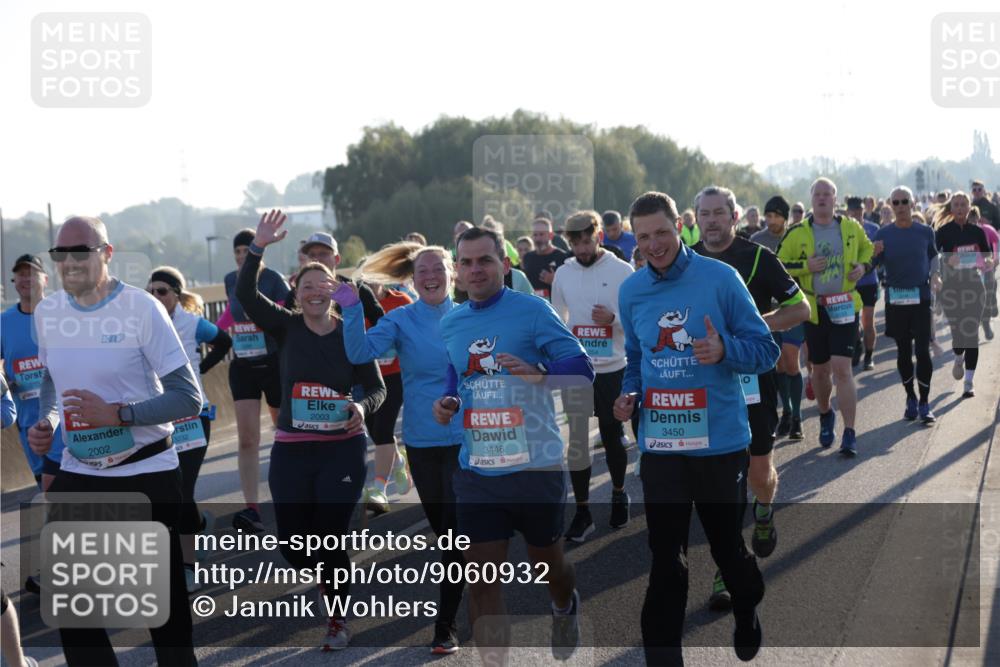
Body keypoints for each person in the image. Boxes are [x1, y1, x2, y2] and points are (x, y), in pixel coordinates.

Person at [29, 216, 201, 666]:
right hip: (80, 469)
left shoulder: (142, 308)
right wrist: (48, 420)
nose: (69, 261)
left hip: (146, 472)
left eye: (80, 251)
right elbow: (51, 380)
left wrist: (119, 414)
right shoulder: (49, 313)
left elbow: (189, 398)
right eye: (60, 253)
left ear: (107, 253)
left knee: (159, 611)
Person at [615, 191, 776, 664]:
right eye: (643, 236)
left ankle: (745, 610)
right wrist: (630, 395)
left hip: (719, 445)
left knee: (728, 550)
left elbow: (764, 349)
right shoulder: (632, 290)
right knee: (666, 558)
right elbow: (636, 359)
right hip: (661, 446)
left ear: (679, 227)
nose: (654, 244)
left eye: (662, 232)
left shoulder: (720, 278)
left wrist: (725, 350)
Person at [432, 226, 593, 664]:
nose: (475, 269)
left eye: (484, 260)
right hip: (478, 473)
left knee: (550, 567)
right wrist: (447, 401)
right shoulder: (452, 322)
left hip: (535, 467)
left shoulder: (534, 311)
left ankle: (564, 603)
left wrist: (538, 375)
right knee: (483, 582)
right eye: (465, 262)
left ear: (504, 264)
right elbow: (457, 374)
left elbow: (582, 370)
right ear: (457, 272)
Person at [236, 209, 386, 651]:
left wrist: (361, 405)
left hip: (341, 449)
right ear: (296, 294)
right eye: (307, 287)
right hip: (293, 450)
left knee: (332, 536)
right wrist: (258, 248)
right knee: (297, 549)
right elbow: (245, 293)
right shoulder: (284, 326)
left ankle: (338, 620)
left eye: (323, 287)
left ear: (335, 292)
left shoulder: (350, 333)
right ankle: (324, 573)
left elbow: (376, 388)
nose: (315, 293)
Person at [338, 241, 467, 654]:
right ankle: (453, 618)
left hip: (474, 439)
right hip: (425, 441)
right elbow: (359, 352)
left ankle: (445, 625)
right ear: (413, 279)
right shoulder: (402, 320)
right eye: (422, 271)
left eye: (438, 269)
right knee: (448, 534)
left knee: (464, 535)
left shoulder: (471, 316)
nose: (431, 276)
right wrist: (353, 305)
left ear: (453, 274)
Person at [692, 185, 809, 609]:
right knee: (724, 481)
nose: (711, 221)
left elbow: (801, 310)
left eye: (719, 212)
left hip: (752, 380)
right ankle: (727, 568)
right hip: (703, 384)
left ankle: (764, 509)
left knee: (759, 472)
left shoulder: (758, 257)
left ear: (734, 215)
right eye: (704, 214)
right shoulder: (687, 260)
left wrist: (760, 324)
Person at [550, 210, 635, 542]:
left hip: (613, 368)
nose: (582, 250)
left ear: (599, 236)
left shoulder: (621, 270)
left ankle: (618, 493)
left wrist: (613, 319)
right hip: (577, 369)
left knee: (613, 434)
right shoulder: (564, 273)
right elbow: (557, 318)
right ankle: (583, 511)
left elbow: (635, 321)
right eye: (576, 244)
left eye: (587, 241)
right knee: (578, 442)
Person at [147, 266, 233, 592]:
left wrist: (202, 370)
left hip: (194, 419)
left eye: (162, 291)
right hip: (159, 417)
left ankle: (188, 566)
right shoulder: (144, 326)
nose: (155, 297)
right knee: (168, 492)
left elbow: (224, 341)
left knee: (182, 492)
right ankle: (198, 526)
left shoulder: (192, 323)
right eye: (151, 291)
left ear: (177, 295)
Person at [777, 178, 874, 456]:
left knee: (843, 369)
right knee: (819, 371)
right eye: (817, 194)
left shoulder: (851, 227)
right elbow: (779, 263)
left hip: (845, 307)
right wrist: (804, 266)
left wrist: (862, 267)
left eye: (827, 194)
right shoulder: (797, 233)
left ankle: (850, 433)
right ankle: (824, 414)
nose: (822, 198)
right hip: (814, 310)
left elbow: (868, 250)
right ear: (811, 199)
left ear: (835, 198)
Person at [221, 228, 290, 532]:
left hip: (274, 362)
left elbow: (283, 318)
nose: (241, 257)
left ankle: (289, 494)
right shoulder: (230, 280)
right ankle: (252, 508)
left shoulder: (275, 280)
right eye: (237, 252)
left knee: (283, 433)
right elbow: (230, 317)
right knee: (247, 439)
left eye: (245, 251)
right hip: (244, 365)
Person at [871, 187, 939, 423]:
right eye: (896, 202)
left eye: (904, 202)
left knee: (922, 350)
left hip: (921, 298)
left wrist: (936, 275)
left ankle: (925, 402)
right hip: (896, 300)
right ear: (891, 205)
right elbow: (873, 264)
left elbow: (933, 256)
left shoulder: (925, 232)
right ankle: (910, 396)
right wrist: (872, 254)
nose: (900, 206)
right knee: (903, 352)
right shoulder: (883, 234)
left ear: (912, 204)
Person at [2, 254, 65, 491]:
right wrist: (5, 382)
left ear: (46, 279)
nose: (25, 278)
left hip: (66, 419)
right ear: (14, 281)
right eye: (20, 273)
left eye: (31, 272)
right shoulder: (4, 322)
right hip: (29, 424)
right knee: (47, 488)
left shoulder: (63, 315)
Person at [359, 281, 413, 515]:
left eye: (375, 277)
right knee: (375, 431)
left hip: (395, 376)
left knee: (382, 430)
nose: (371, 283)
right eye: (365, 279)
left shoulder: (400, 301)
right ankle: (399, 462)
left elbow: (413, 338)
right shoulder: (355, 302)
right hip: (368, 378)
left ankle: (379, 488)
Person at [933, 192, 993, 397]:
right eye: (956, 205)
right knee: (958, 333)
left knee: (972, 334)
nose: (959, 208)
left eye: (963, 204)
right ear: (951, 209)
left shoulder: (977, 231)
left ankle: (969, 381)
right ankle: (958, 356)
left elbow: (987, 256)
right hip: (952, 290)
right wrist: (945, 260)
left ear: (969, 208)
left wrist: (988, 262)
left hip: (975, 286)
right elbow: (932, 255)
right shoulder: (943, 231)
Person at [847, 196, 882, 370]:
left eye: (860, 210)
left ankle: (869, 356)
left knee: (868, 320)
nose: (858, 214)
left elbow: (877, 255)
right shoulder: (842, 229)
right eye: (854, 211)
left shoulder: (873, 228)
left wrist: (864, 269)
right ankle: (857, 343)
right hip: (849, 283)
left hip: (868, 281)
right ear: (848, 212)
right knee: (852, 321)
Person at [521, 217, 570, 300]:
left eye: (542, 234)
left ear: (551, 235)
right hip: (533, 307)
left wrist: (555, 282)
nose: (538, 239)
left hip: (555, 308)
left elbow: (571, 288)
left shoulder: (562, 257)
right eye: (535, 235)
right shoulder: (527, 257)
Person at [970, 206, 1000, 339]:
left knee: (987, 296)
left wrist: (996, 257)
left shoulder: (986, 229)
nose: (971, 221)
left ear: (978, 218)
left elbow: (997, 240)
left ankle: (986, 325)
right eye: (968, 218)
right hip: (970, 271)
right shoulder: (961, 233)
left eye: (973, 218)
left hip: (987, 268)